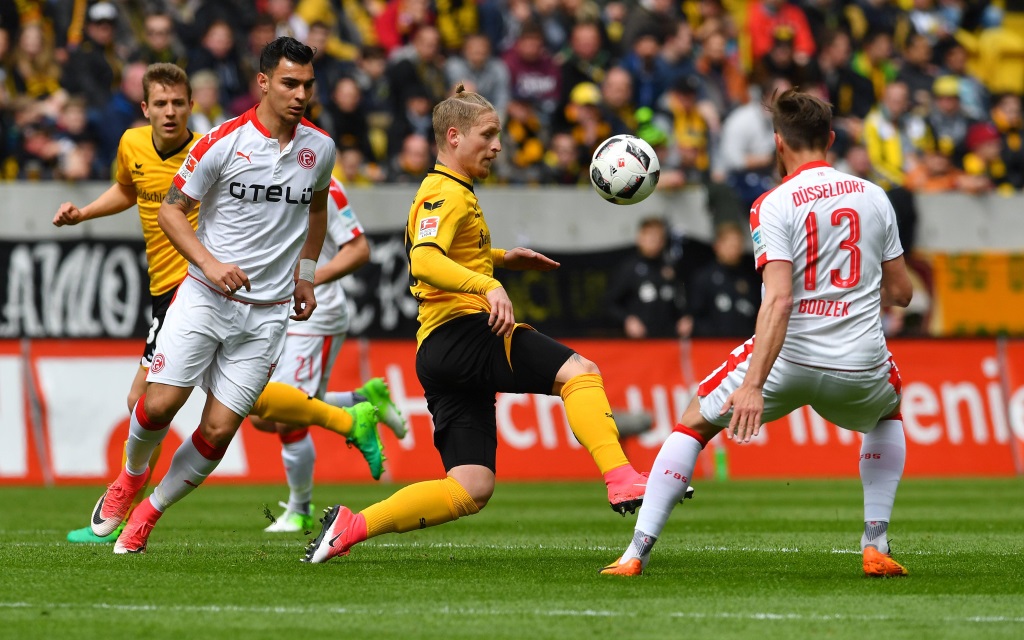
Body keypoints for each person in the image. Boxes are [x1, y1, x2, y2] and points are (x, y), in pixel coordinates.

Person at [304, 84, 653, 564]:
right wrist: (486, 285)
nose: (497, 146)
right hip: (463, 332)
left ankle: (353, 525)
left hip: (438, 351)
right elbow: (425, 260)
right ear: (453, 136)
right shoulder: (444, 193)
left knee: (471, 487)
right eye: (488, 135)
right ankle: (621, 477)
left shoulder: (447, 192)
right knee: (581, 372)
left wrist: (502, 259)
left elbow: (442, 252)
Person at [600, 89, 915, 578]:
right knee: (889, 412)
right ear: (830, 139)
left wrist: (752, 385)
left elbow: (779, 299)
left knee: (693, 422)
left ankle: (634, 554)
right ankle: (875, 543)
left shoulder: (772, 203)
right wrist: (848, 297)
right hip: (859, 362)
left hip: (787, 360)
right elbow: (902, 293)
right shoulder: (875, 196)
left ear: (777, 144)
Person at [86, 37, 337, 555]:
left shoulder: (320, 148)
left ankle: (150, 513)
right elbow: (171, 211)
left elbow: (316, 213)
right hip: (204, 296)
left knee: (219, 430)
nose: (300, 94)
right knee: (156, 406)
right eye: (290, 83)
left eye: (308, 85)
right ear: (263, 83)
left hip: (267, 316)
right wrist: (210, 263)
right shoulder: (222, 142)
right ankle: (130, 478)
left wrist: (307, 275)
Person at [54, 62, 201, 544]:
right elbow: (125, 188)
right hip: (162, 290)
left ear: (191, 106)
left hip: (196, 288)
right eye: (161, 103)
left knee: (143, 401)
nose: (170, 111)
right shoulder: (131, 144)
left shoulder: (208, 151)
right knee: (153, 403)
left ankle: (124, 500)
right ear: (145, 108)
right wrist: (84, 213)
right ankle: (349, 413)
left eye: (178, 102)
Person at [250, 174, 408, 533]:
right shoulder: (255, 165)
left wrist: (307, 282)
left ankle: (300, 509)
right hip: (270, 309)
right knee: (262, 413)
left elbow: (359, 249)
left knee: (290, 413)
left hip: (313, 315)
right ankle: (362, 399)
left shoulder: (321, 182)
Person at [606, 217, 692, 339]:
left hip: (669, 340)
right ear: (640, 238)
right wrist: (627, 320)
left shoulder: (671, 267)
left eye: (658, 237)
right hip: (639, 342)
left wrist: (685, 317)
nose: (654, 241)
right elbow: (610, 304)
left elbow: (682, 299)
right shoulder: (629, 268)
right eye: (650, 236)